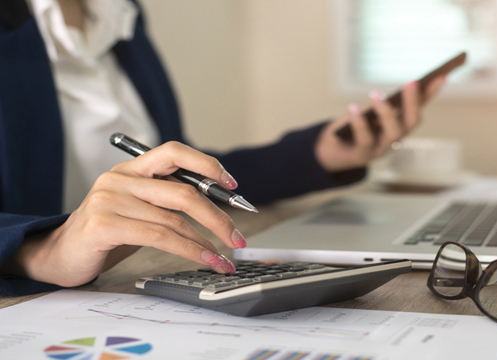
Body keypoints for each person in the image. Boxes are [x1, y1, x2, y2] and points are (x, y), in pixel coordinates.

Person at [0, 0, 445, 296]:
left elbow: (180, 172)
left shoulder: (121, 15)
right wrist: (43, 249)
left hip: (132, 280)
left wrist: (320, 154)